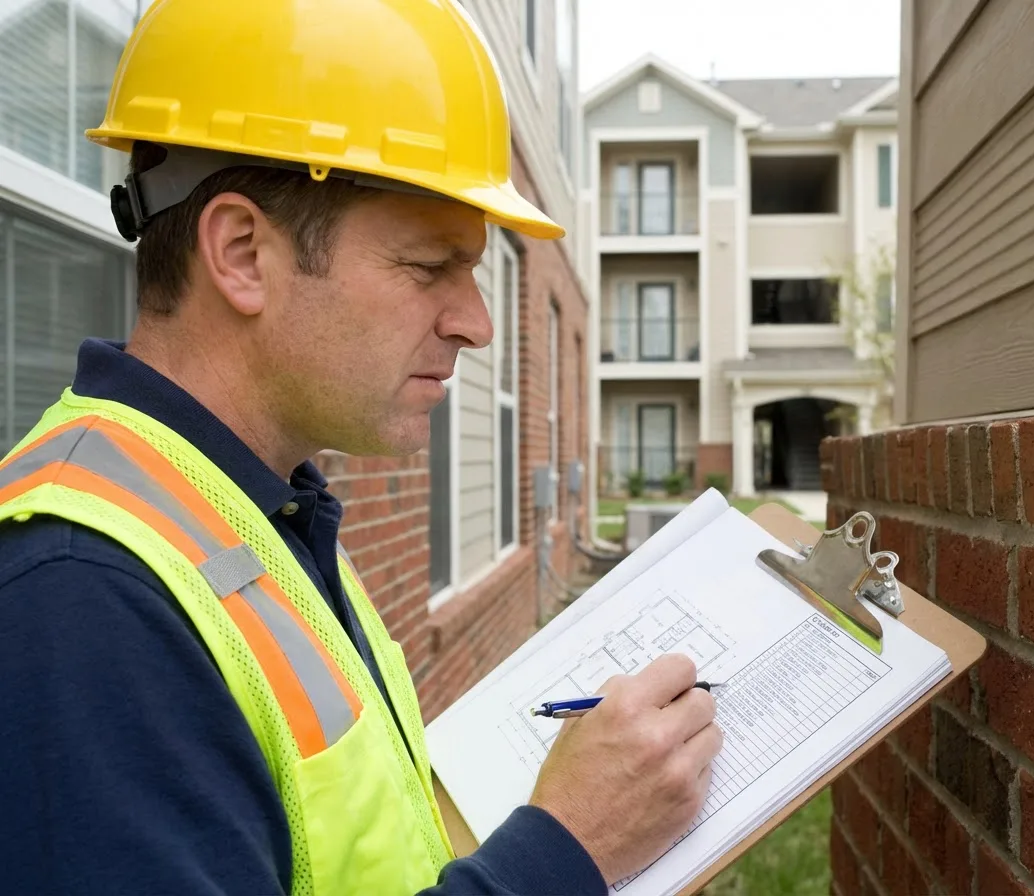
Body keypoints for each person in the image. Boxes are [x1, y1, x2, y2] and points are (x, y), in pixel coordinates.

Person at [0, 1, 724, 894]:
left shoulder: (261, 513)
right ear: (241, 253)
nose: (479, 323)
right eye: (427, 269)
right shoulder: (82, 596)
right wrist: (565, 851)